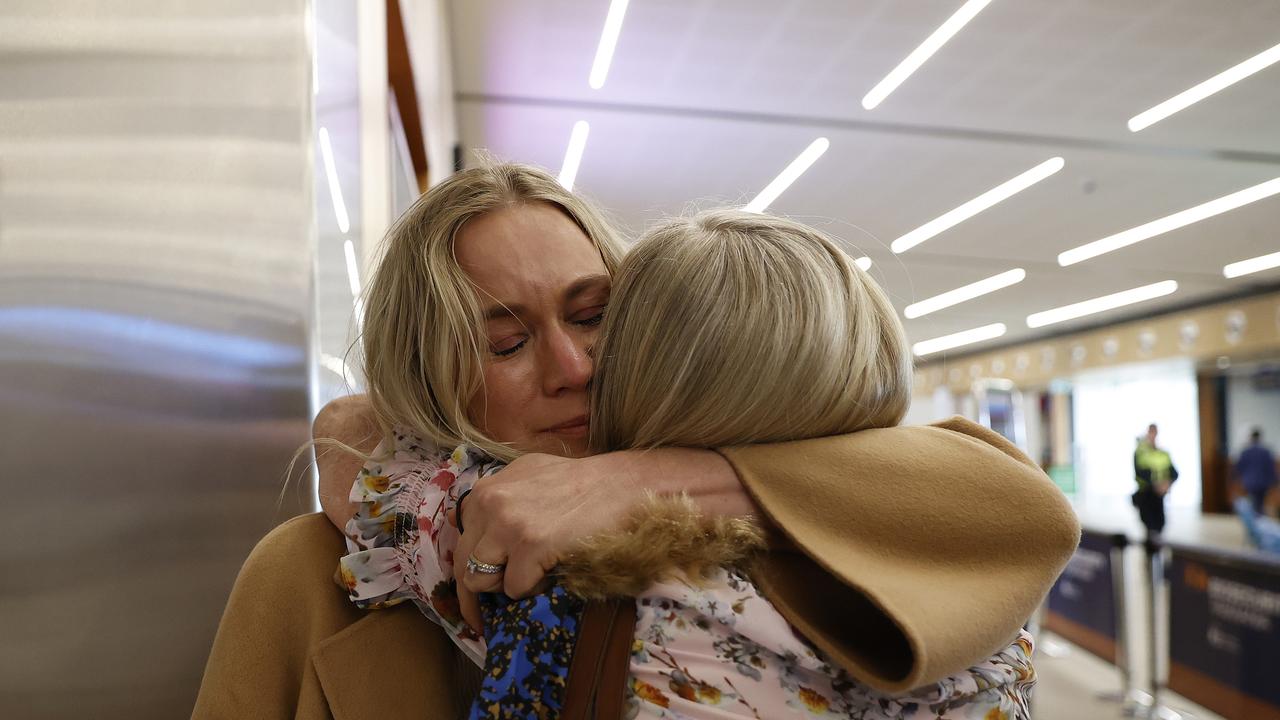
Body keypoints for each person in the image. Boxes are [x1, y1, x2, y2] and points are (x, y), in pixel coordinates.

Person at [194, 162, 1079, 719]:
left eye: (596, 315)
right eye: (505, 342)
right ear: (429, 375)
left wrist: (667, 475)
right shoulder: (316, 572)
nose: (573, 366)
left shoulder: (837, 504)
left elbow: (1012, 501)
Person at [1132, 423, 1177, 538]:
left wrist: (1166, 484)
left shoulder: (1163, 454)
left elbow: (1174, 473)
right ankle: (1150, 553)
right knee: (1149, 526)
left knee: (1160, 525)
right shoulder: (1140, 452)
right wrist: (1155, 485)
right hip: (1146, 495)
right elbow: (1139, 473)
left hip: (1159, 496)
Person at [1236, 428, 1277, 515]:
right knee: (1260, 503)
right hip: (1263, 483)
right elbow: (1271, 469)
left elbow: (1239, 468)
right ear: (1259, 437)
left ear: (1251, 438)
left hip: (1249, 482)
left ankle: (1255, 521)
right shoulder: (1266, 452)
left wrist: (1237, 480)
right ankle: (1259, 519)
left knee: (1253, 502)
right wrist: (1275, 481)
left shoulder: (1245, 451)